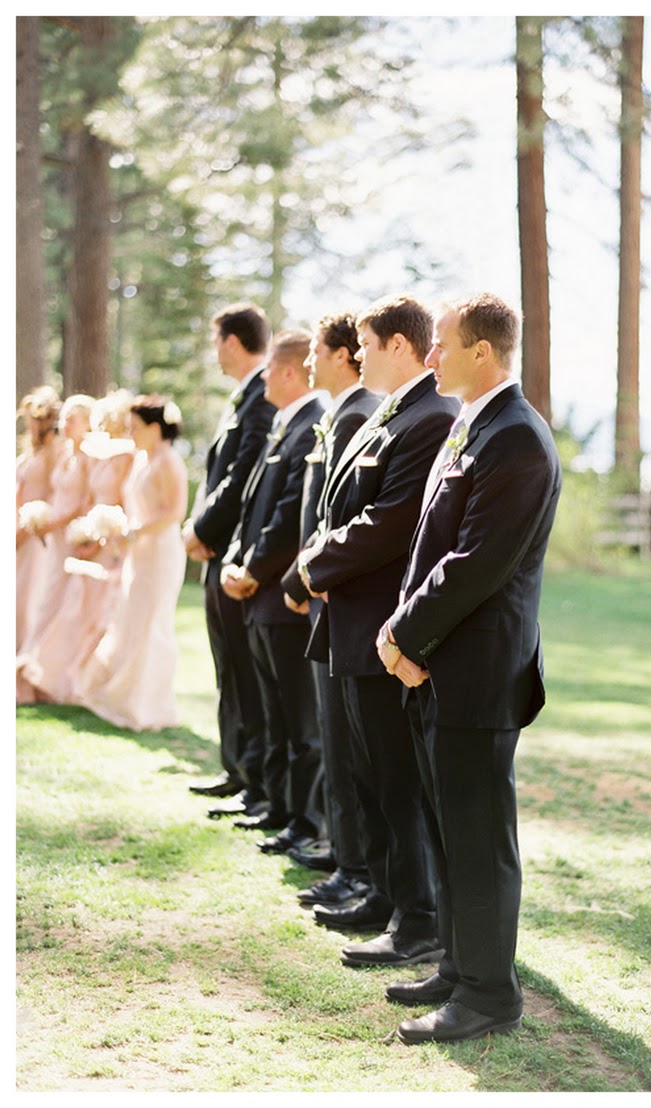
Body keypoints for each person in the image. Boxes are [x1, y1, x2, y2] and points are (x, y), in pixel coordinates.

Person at [377, 293, 561, 1045]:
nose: (430, 357)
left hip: (477, 674)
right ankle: (459, 965)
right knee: (451, 829)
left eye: (442, 345)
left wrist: (403, 636)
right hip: (439, 669)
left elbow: (475, 566)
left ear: (482, 352)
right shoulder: (471, 425)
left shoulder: (517, 438)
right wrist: (407, 638)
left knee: (480, 840)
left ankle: (489, 995)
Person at [297, 294, 457, 968]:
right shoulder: (386, 413)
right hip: (350, 621)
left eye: (364, 344)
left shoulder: (430, 417)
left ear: (399, 344)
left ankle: (420, 922)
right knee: (371, 774)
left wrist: (314, 562)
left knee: (398, 779)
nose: (356, 355)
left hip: (384, 628)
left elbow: (392, 522)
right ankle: (388, 898)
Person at [282, 312, 380, 895]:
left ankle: (356, 867)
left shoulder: (358, 416)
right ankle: (344, 854)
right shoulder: (338, 416)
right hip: (323, 593)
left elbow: (341, 520)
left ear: (343, 354)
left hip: (336, 594)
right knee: (332, 733)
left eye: (318, 351)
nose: (310, 362)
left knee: (346, 743)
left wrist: (305, 578)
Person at [219, 329, 327, 855]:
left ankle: (305, 819)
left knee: (299, 721)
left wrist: (256, 568)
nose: (261, 378)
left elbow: (289, 518)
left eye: (269, 370)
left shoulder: (312, 424)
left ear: (286, 372)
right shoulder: (286, 425)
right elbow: (252, 506)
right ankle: (276, 803)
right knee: (274, 712)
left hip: (283, 597)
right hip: (259, 593)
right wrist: (238, 557)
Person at [186, 303, 276, 811]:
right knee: (227, 669)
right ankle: (235, 768)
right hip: (217, 552)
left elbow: (240, 479)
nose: (213, 350)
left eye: (216, 339)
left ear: (233, 341)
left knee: (244, 670)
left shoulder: (262, 398)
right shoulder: (242, 398)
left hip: (234, 554)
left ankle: (253, 778)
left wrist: (199, 531)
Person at [78, 397, 189, 732]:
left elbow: (174, 512)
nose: (130, 433)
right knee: (132, 620)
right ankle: (122, 696)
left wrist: (133, 531)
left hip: (160, 553)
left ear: (156, 428)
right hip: (139, 552)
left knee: (153, 623)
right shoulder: (142, 458)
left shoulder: (169, 461)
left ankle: (149, 705)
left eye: (136, 427)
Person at [18, 391, 137, 704]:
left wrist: (68, 528)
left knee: (70, 606)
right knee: (50, 604)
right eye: (64, 418)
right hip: (63, 537)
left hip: (81, 537)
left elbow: (83, 503)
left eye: (73, 418)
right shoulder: (66, 454)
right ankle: (32, 670)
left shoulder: (100, 457)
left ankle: (55, 675)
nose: (65, 424)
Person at [16, 386, 63, 650]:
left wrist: (30, 527)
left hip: (34, 535)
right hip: (15, 529)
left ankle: (25, 657)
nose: (33, 423)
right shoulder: (29, 452)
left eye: (38, 418)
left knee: (26, 598)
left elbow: (55, 493)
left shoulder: (53, 452)